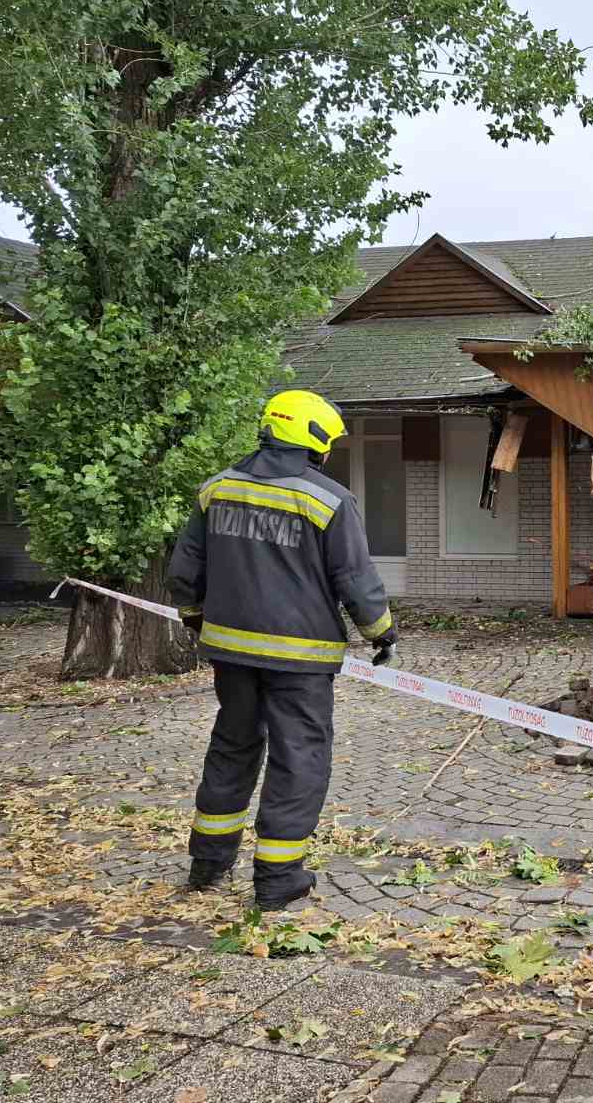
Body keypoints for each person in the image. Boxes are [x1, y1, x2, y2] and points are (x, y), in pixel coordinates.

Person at [168, 389, 399, 910]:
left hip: (231, 652)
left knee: (232, 747)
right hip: (300, 659)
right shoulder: (328, 499)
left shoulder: (217, 489)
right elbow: (354, 578)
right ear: (314, 441)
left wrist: (195, 618)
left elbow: (186, 569)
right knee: (299, 757)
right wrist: (380, 632)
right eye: (328, 443)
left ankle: (208, 863)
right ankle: (277, 878)